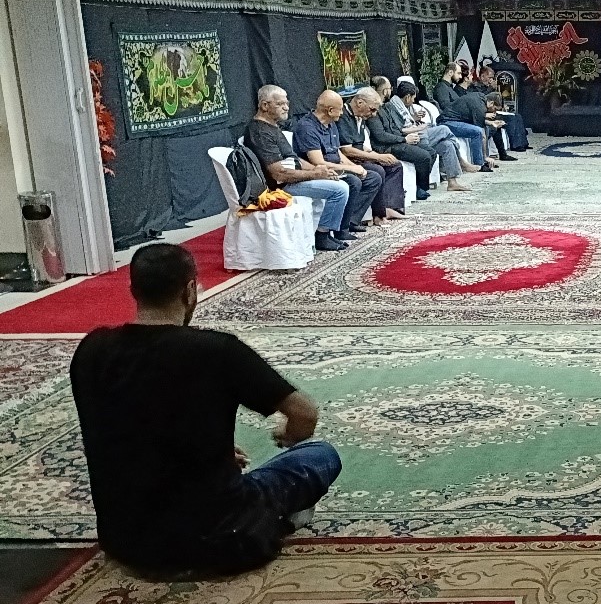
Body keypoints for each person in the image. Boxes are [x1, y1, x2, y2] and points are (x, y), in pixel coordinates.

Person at [69, 244, 343, 579]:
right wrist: (291, 439)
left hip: (126, 541)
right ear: (189, 291)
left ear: (133, 291)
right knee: (318, 455)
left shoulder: (92, 349)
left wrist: (213, 449)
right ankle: (283, 516)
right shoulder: (216, 350)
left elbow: (128, 421)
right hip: (219, 540)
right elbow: (305, 413)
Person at [244, 85, 352, 251]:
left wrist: (320, 172)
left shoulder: (273, 127)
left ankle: (330, 232)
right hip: (279, 188)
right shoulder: (260, 132)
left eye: (286, 103)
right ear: (265, 106)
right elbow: (279, 174)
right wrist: (314, 175)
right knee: (340, 190)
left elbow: (294, 160)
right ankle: (322, 234)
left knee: (338, 181)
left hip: (291, 180)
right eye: (280, 104)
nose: (286, 107)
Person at [291, 91, 382, 235]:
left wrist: (354, 166)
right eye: (340, 109)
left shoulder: (331, 123)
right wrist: (351, 170)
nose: (342, 113)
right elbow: (318, 162)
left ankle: (351, 221)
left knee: (373, 177)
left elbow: (337, 152)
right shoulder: (307, 127)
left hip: (337, 167)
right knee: (353, 181)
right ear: (330, 110)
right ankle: (339, 229)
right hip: (320, 171)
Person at [389, 80, 480, 190]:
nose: (413, 101)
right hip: (415, 137)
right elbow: (400, 129)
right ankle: (461, 161)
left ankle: (452, 182)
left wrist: (415, 118)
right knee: (444, 129)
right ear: (408, 97)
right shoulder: (393, 107)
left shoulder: (402, 106)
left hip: (421, 135)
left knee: (448, 145)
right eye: (413, 98)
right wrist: (419, 127)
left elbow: (407, 122)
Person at [337, 88, 407, 224]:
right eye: (372, 109)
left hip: (360, 156)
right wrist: (377, 158)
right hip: (348, 160)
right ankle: (377, 214)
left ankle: (390, 207)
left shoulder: (361, 116)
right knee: (377, 170)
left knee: (394, 165)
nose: (374, 114)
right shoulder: (343, 116)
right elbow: (346, 150)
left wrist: (376, 154)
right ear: (359, 103)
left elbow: (359, 144)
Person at [366, 79, 438, 200]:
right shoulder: (373, 111)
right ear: (385, 91)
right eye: (389, 88)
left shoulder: (385, 107)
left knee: (431, 152)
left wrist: (406, 137)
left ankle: (420, 185)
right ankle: (420, 189)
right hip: (386, 147)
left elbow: (394, 128)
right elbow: (381, 136)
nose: (392, 90)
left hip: (397, 140)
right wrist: (404, 139)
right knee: (424, 156)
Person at [433, 64, 492, 170]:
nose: (460, 76)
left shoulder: (449, 88)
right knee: (478, 131)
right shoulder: (441, 88)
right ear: (450, 73)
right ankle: (480, 163)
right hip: (448, 121)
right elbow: (445, 106)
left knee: (484, 127)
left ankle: (484, 159)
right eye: (459, 73)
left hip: (456, 119)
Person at [475, 65, 530, 151]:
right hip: (486, 113)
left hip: (496, 109)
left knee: (517, 116)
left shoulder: (489, 87)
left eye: (493, 78)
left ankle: (523, 143)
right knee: (511, 118)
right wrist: (490, 88)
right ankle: (515, 145)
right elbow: (482, 98)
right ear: (482, 76)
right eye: (490, 77)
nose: (491, 80)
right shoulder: (476, 86)